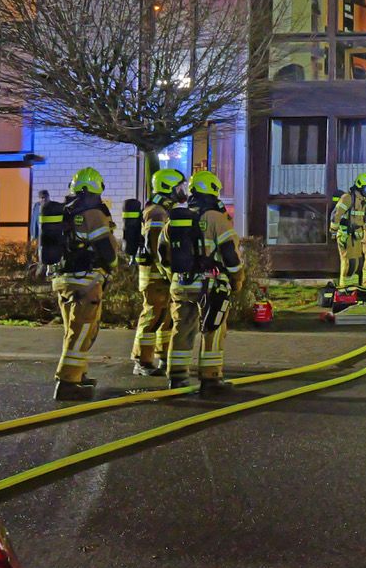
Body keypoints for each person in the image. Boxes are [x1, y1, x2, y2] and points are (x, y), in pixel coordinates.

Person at [165, 170, 242, 395]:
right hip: (209, 285)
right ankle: (211, 379)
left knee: (181, 328)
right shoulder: (216, 218)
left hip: (180, 283)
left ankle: (177, 377)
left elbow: (162, 252)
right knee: (213, 330)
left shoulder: (176, 218)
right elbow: (230, 253)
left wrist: (174, 276)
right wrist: (237, 278)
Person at [51, 168, 120, 401]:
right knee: (81, 332)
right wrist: (113, 264)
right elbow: (106, 250)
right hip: (86, 280)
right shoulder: (93, 214)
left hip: (63, 279)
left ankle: (78, 374)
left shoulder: (66, 212)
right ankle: (67, 383)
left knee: (73, 331)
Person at [131, 169, 185, 377]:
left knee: (166, 317)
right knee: (152, 316)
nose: (182, 191)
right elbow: (156, 246)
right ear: (167, 187)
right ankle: (142, 361)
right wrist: (168, 271)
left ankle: (163, 356)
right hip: (155, 276)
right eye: (178, 187)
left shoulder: (163, 210)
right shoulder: (156, 213)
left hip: (162, 275)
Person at [330, 173, 366, 288]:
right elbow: (335, 215)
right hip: (346, 235)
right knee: (349, 262)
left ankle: (353, 287)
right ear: (360, 187)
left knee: (356, 263)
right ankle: (344, 288)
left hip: (356, 237)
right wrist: (333, 231)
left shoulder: (363, 202)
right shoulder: (347, 198)